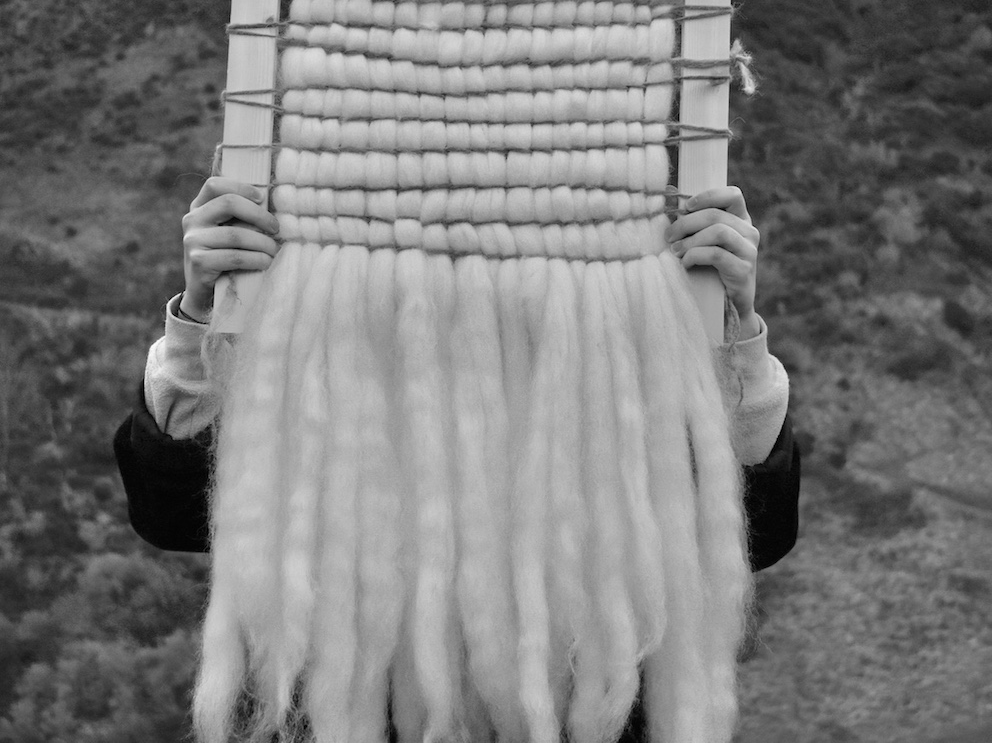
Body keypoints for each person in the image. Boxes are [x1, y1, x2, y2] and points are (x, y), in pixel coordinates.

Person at [113, 177, 800, 566]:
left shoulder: (612, 367)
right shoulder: (318, 359)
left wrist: (732, 331)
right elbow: (172, 510)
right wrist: (203, 312)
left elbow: (754, 532)